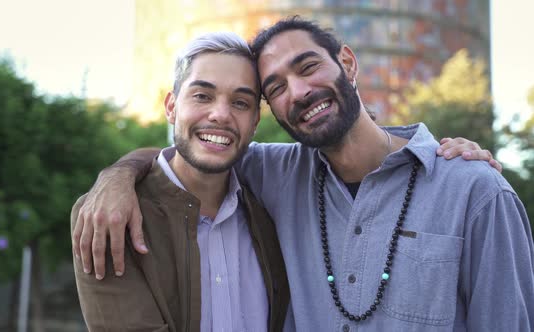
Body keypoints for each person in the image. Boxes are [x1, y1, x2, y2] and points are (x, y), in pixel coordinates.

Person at [73, 17, 533, 331]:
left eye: (308, 66)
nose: (298, 91)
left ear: (347, 64)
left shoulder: (475, 190)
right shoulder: (276, 174)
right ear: (270, 112)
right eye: (275, 87)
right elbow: (195, 148)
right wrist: (116, 175)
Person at [71, 32, 290, 332]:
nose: (220, 115)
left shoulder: (270, 212)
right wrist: (120, 174)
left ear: (254, 122)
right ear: (172, 106)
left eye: (240, 103)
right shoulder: (110, 216)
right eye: (202, 96)